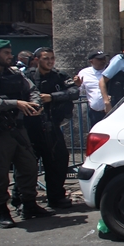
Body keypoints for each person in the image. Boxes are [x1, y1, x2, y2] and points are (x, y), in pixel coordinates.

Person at [0, 39, 48, 228]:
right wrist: (16, 103)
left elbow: (32, 89)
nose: (10, 56)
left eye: (10, 52)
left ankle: (28, 204)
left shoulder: (15, 73)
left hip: (18, 129)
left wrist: (35, 104)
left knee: (29, 166)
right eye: (5, 53)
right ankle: (2, 211)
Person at [24, 47, 81, 209]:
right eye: (45, 58)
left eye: (52, 58)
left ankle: (56, 197)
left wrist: (52, 97)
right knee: (27, 166)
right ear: (37, 60)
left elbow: (73, 91)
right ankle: (25, 201)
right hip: (31, 127)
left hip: (52, 126)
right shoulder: (27, 77)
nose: (50, 62)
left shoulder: (59, 76)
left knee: (58, 161)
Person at [77, 51, 108, 127]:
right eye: (100, 59)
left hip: (110, 110)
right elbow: (80, 90)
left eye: (104, 58)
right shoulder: (84, 73)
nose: (103, 61)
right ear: (91, 61)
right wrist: (77, 85)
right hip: (95, 112)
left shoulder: (110, 70)